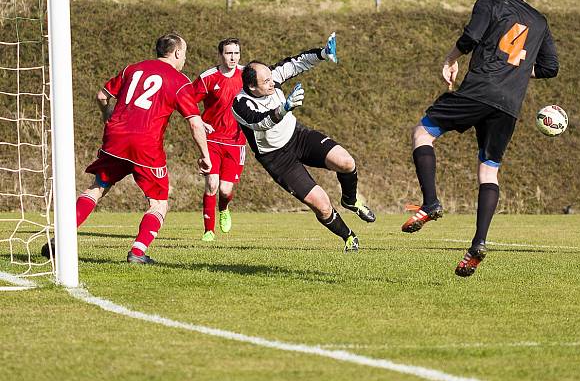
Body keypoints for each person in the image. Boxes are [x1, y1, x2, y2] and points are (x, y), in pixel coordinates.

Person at [404, 0, 559, 277]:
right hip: (509, 105)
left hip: (478, 91)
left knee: (423, 133)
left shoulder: (488, 4)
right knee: (489, 171)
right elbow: (550, 67)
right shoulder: (540, 21)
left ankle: (431, 203)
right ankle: (478, 242)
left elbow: (470, 37)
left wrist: (451, 58)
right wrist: (515, 72)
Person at [42, 33, 211, 264]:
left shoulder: (132, 69)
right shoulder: (179, 80)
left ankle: (60, 240)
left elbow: (102, 95)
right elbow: (194, 122)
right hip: (146, 145)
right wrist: (205, 156)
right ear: (178, 53)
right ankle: (138, 252)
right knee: (159, 202)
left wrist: (107, 115)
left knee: (97, 187)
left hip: (116, 138)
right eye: (185, 53)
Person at [232, 33, 375, 252]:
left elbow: (297, 63)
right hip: (277, 158)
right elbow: (260, 122)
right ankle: (349, 237)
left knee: (346, 162)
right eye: (266, 81)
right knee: (322, 205)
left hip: (299, 136)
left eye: (271, 78)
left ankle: (350, 200)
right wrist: (284, 108)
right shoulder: (240, 104)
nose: (272, 83)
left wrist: (323, 53)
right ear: (252, 87)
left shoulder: (273, 77)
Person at [193, 38, 246, 241]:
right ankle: (208, 231)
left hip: (236, 141)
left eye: (236, 53)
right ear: (220, 54)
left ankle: (224, 208)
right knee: (212, 184)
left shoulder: (247, 75)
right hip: (212, 140)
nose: (232, 57)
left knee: (225, 190)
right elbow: (186, 102)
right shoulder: (208, 77)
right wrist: (199, 120)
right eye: (228, 53)